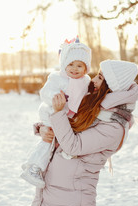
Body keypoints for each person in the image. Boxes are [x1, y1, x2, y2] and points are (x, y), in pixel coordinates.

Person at [22, 60, 138, 206]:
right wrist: (42, 129)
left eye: (100, 77)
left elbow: (72, 145)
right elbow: (66, 127)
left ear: (111, 87)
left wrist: (58, 112)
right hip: (51, 194)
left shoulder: (114, 127)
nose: (93, 80)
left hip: (72, 204)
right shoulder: (93, 105)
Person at [20, 39, 92, 188]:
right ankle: (34, 167)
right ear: (64, 64)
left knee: (62, 140)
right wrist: (56, 98)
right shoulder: (57, 78)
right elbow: (45, 93)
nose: (74, 69)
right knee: (49, 140)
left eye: (79, 65)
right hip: (52, 113)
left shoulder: (85, 81)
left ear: (86, 69)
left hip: (70, 119)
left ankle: (33, 162)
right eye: (71, 64)